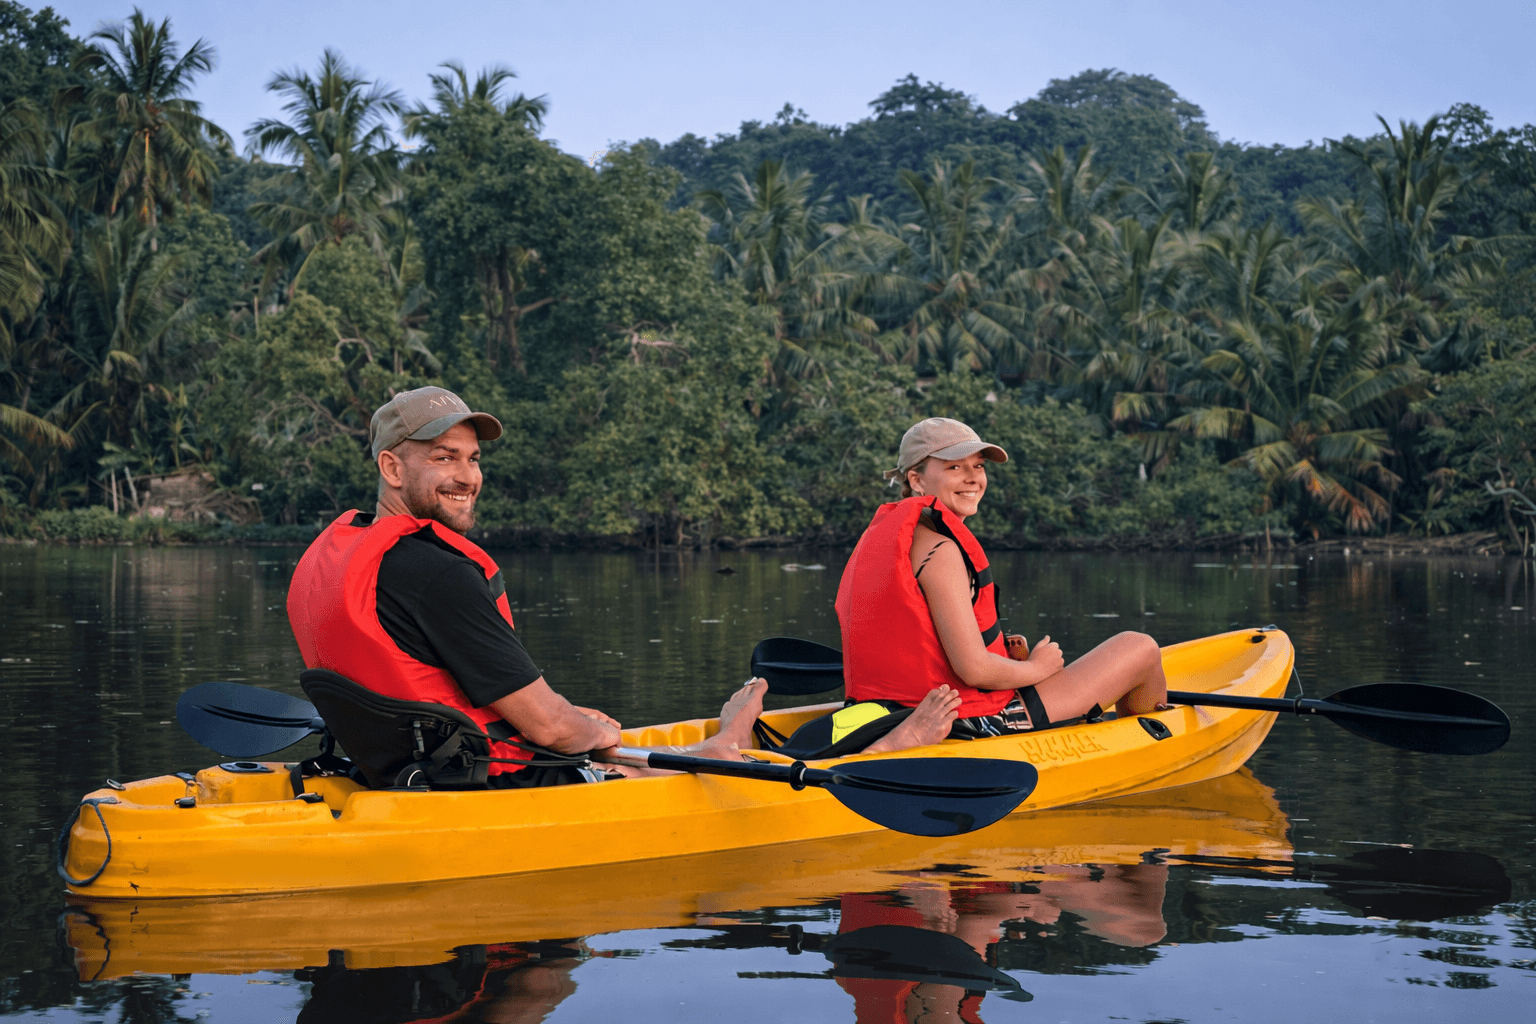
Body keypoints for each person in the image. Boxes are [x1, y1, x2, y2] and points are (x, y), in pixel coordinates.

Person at [286, 386, 764, 787]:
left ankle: (720, 741)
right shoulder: (437, 572)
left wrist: (570, 720)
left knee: (593, 732)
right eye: (444, 457)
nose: (468, 477)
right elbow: (551, 729)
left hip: (403, 771)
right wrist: (588, 733)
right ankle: (729, 741)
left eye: (473, 459)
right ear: (392, 469)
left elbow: (439, 693)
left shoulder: (339, 558)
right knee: (704, 767)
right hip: (489, 781)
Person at [834, 417, 1168, 748]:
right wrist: (1038, 668)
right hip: (960, 721)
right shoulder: (941, 550)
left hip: (883, 712)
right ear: (916, 479)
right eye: (954, 468)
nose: (972, 478)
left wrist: (1006, 660)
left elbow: (913, 639)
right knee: (1140, 647)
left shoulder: (883, 538)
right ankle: (1149, 748)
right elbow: (975, 671)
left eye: (977, 466)